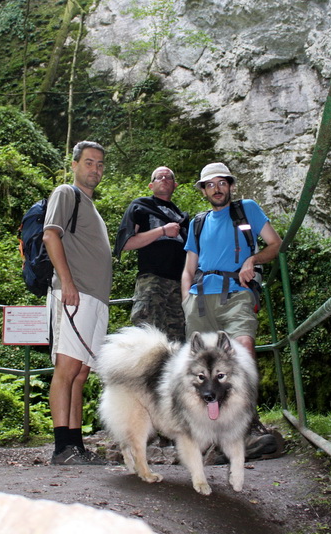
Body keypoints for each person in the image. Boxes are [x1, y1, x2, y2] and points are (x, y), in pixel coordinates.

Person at [181, 162, 284, 462]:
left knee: (243, 349)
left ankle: (247, 425)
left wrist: (252, 260)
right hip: (200, 302)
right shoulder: (197, 224)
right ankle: (212, 436)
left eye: (221, 182)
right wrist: (186, 298)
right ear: (203, 190)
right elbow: (188, 268)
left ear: (230, 185)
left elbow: (275, 244)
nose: (217, 188)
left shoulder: (246, 210)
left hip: (236, 293)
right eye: (210, 184)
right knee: (201, 371)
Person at [42, 141, 112, 465]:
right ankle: (61, 449)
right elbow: (50, 235)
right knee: (67, 368)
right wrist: (67, 283)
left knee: (81, 373)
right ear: (74, 164)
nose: (94, 169)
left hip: (95, 300)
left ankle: (76, 446)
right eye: (88, 162)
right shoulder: (65, 194)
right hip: (74, 294)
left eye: (99, 164)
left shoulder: (92, 207)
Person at [114, 166, 189, 341]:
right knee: (148, 336)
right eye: (159, 177)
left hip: (179, 284)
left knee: (178, 340)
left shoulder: (183, 217)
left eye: (168, 177)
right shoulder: (141, 206)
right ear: (151, 185)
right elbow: (126, 243)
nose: (163, 179)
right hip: (152, 280)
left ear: (175, 184)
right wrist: (162, 230)